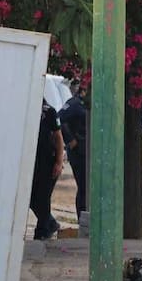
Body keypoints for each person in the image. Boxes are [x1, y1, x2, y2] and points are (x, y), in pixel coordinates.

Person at [30, 100, 64, 240]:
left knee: (43, 198)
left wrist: (59, 162)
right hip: (32, 163)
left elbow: (59, 137)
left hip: (48, 162)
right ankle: (50, 223)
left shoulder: (49, 111)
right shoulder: (27, 107)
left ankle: (43, 231)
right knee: (32, 198)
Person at [59, 79, 88, 223]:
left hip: (87, 152)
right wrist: (70, 139)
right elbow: (59, 118)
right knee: (83, 187)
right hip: (78, 153)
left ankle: (86, 219)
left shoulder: (89, 105)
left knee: (88, 187)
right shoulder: (74, 104)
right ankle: (82, 220)